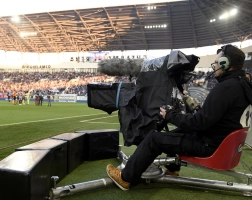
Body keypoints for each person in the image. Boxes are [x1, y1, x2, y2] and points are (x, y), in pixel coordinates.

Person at [106, 44, 252, 191]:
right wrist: (201, 111)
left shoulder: (225, 88)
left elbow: (199, 123)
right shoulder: (243, 85)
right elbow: (220, 117)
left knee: (153, 138)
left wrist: (170, 115)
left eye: (216, 63)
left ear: (225, 63)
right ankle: (172, 169)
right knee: (177, 132)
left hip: (210, 145)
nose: (214, 67)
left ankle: (126, 178)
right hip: (224, 143)